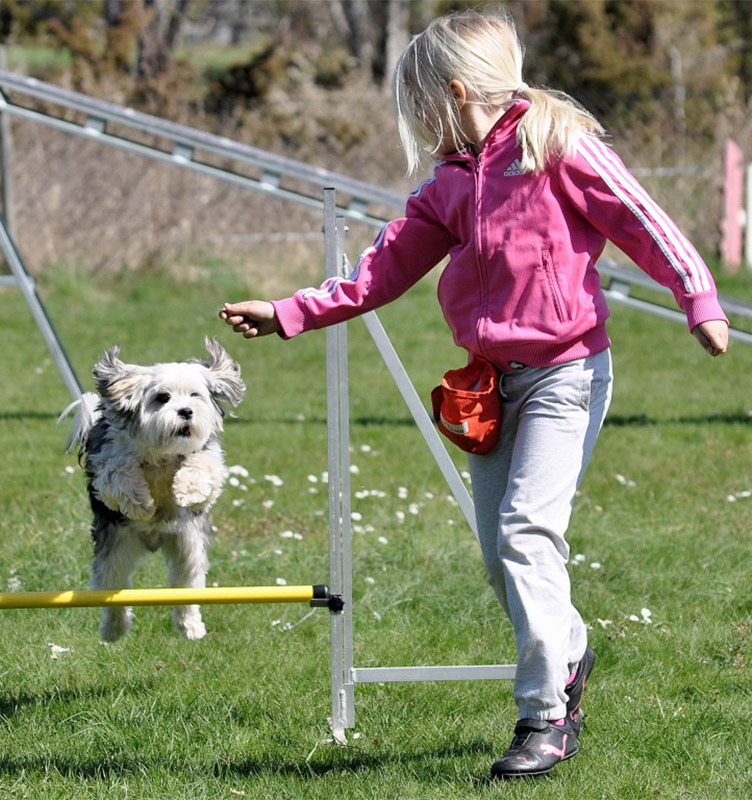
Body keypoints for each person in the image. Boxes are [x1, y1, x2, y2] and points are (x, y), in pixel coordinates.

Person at [220, 8, 729, 780]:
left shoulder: (562, 150)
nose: (419, 124)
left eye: (421, 106)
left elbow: (643, 220)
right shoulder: (450, 184)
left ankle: (544, 717)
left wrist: (700, 298)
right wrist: (292, 312)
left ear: (457, 93)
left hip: (567, 375)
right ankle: (573, 648)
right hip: (491, 386)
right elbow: (380, 270)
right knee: (500, 556)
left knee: (527, 532)